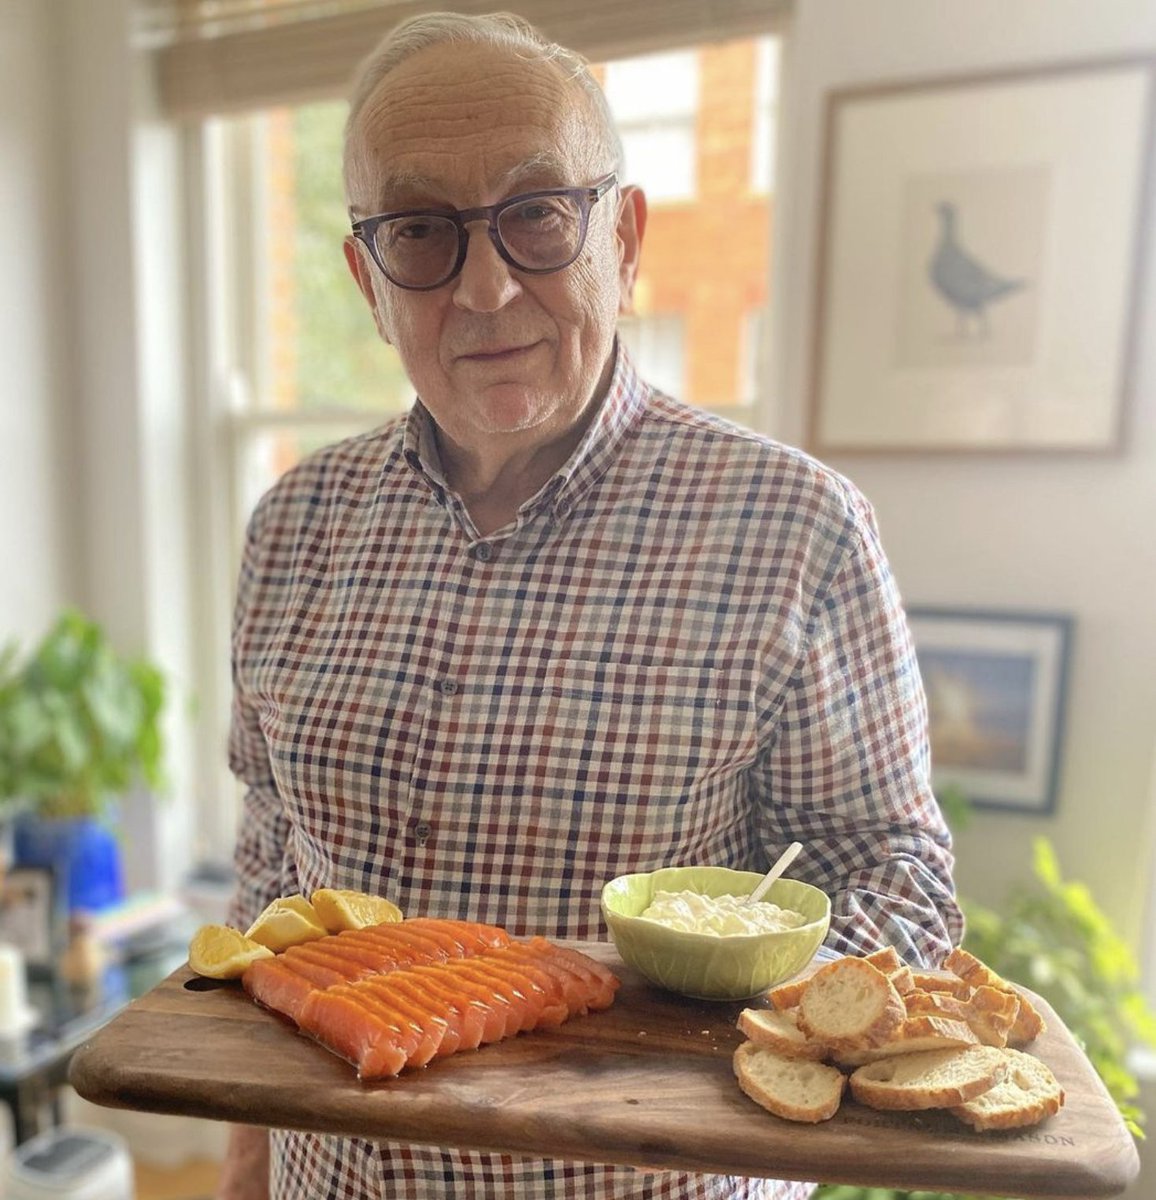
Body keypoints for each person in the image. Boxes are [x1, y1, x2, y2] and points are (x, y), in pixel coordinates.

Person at [218, 11, 964, 1200]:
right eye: (419, 230)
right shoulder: (293, 526)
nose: (486, 285)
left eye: (537, 212)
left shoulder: (797, 530)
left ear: (623, 236)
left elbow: (900, 875)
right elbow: (270, 848)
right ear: (365, 277)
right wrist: (248, 1158)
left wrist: (715, 977)